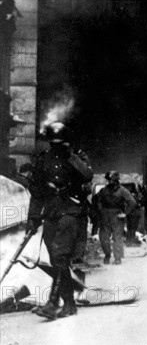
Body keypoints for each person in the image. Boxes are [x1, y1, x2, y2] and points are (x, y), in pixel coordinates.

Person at [26, 122, 93, 320]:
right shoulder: (42, 160)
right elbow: (37, 192)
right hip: (52, 213)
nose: (56, 146)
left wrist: (70, 156)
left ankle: (53, 302)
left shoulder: (77, 157)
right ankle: (69, 303)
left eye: (60, 143)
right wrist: (33, 217)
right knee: (56, 260)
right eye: (53, 143)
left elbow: (87, 175)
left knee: (60, 255)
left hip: (71, 212)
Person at [97, 171, 137, 265]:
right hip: (105, 215)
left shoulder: (123, 190)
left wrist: (125, 213)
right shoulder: (104, 190)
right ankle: (107, 254)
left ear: (116, 180)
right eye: (108, 180)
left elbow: (132, 202)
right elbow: (98, 200)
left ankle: (117, 258)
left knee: (117, 237)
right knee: (104, 237)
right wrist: (100, 210)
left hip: (117, 215)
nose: (109, 182)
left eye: (111, 180)